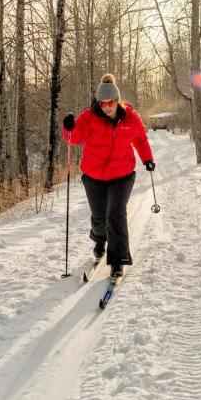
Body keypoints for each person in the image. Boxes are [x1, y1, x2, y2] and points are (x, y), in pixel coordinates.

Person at [62, 73, 155, 278]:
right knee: (99, 217)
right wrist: (68, 127)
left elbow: (140, 139)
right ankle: (100, 240)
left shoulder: (131, 118)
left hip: (122, 175)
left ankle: (118, 259)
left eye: (111, 102)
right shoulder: (89, 117)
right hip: (93, 175)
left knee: (115, 213)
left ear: (118, 100)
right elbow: (74, 138)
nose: (106, 107)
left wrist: (147, 159)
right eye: (102, 103)